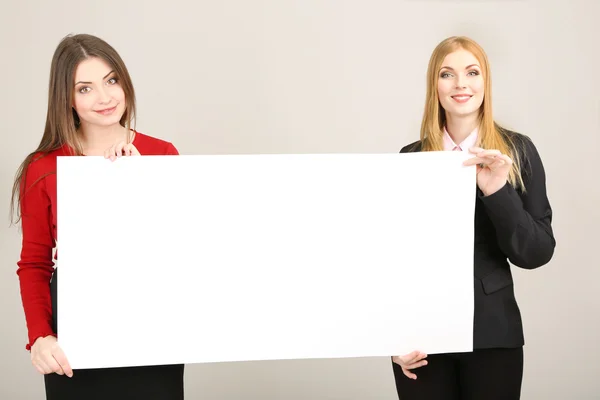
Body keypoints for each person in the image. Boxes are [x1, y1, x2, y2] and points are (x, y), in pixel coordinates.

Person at [10, 33, 184, 400]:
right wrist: (40, 337)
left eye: (111, 81)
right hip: (75, 331)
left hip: (151, 323)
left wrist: (141, 183)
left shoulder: (161, 154)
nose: (105, 98)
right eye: (85, 88)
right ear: (67, 99)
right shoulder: (43, 168)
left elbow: (180, 249)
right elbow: (34, 263)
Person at [390, 36, 555, 399]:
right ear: (434, 85)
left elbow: (536, 253)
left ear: (486, 82)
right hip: (422, 342)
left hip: (493, 335)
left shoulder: (518, 151)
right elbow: (393, 259)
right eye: (447, 74)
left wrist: (498, 191)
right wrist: (392, 336)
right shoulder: (410, 158)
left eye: (472, 72)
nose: (461, 83)